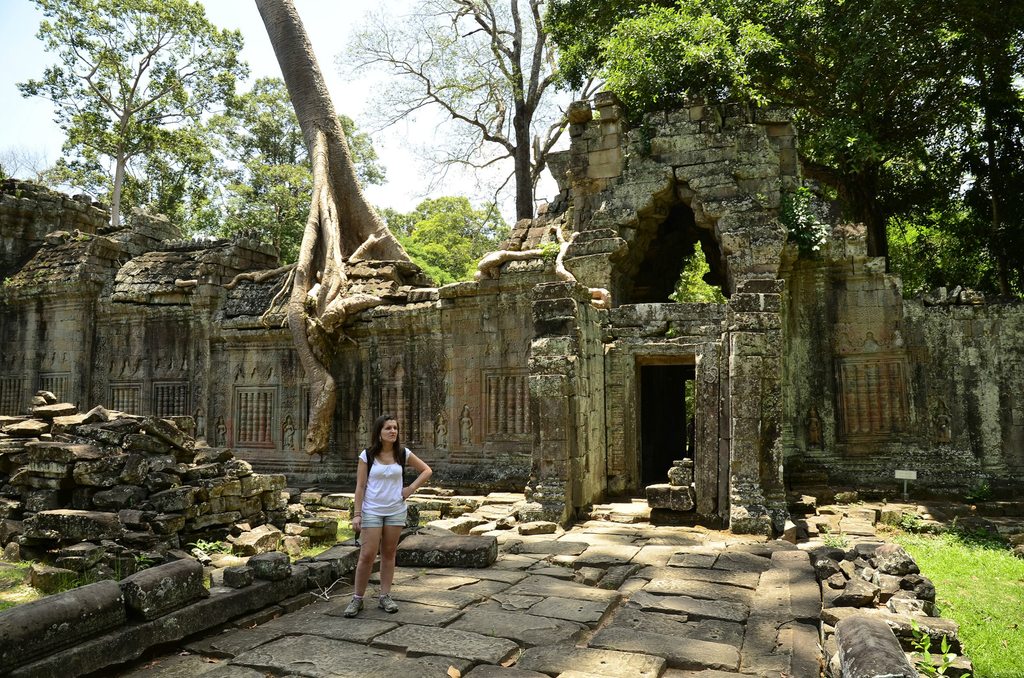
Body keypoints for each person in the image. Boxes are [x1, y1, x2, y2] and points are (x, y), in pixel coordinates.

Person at [344, 414, 432, 617]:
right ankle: (357, 598)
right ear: (379, 433)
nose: (393, 431)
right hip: (372, 510)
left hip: (395, 510)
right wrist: (357, 514)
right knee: (367, 555)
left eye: (395, 428)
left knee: (389, 553)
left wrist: (410, 488)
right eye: (388, 428)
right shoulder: (367, 455)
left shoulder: (402, 453)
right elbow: (360, 486)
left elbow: (426, 470)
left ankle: (385, 596)